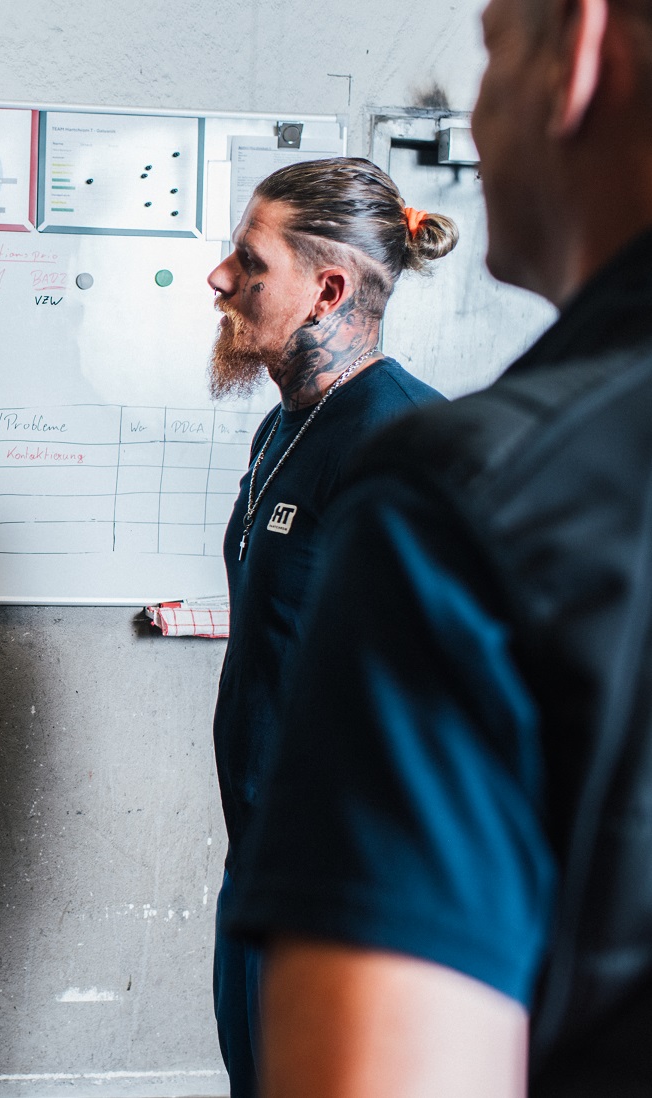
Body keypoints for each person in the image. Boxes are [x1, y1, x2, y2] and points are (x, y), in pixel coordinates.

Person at [223, 0, 652, 1093]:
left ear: (580, 51)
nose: (474, 119)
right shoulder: (294, 437)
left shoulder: (461, 484)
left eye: (492, 51)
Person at [203, 157, 457, 1098]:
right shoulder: (287, 427)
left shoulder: (409, 445)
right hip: (264, 875)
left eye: (250, 261)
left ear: (328, 291)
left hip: (353, 906)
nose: (219, 278)